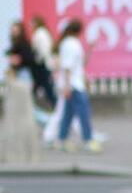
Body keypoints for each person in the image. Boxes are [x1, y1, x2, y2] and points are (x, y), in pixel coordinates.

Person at [55, 19, 102, 153]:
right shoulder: (71, 44)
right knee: (83, 113)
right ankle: (88, 140)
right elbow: (68, 67)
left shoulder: (71, 43)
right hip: (74, 85)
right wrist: (68, 86)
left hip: (73, 83)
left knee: (68, 114)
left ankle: (62, 139)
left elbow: (79, 64)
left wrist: (90, 49)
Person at [29, 16, 57, 107]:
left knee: (47, 88)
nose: (31, 25)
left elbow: (43, 51)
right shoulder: (43, 33)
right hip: (43, 64)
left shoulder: (40, 33)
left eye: (32, 23)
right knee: (43, 87)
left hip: (43, 65)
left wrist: (38, 60)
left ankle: (56, 106)